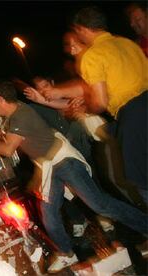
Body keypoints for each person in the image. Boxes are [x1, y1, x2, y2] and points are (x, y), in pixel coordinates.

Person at [0, 59, 148, 273]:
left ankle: (145, 225)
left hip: (64, 161)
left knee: (100, 205)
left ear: (2, 100)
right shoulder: (13, 110)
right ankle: (67, 254)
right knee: (48, 213)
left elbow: (6, 150)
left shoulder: (19, 118)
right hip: (50, 166)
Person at [42, 6, 148, 204]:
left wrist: (85, 108)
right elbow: (98, 84)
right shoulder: (127, 43)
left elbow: (99, 102)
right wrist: (59, 92)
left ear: (81, 29)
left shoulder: (92, 56)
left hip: (133, 116)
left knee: (141, 179)